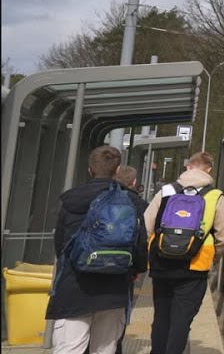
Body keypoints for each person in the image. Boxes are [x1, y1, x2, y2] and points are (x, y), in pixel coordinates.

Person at [45, 145, 148, 354]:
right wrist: (135, 269)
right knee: (105, 349)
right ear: (117, 170)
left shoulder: (71, 199)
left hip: (74, 286)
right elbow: (140, 244)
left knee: (70, 348)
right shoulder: (130, 200)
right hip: (115, 287)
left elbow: (60, 245)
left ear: (90, 170)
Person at [144, 151, 224, 354]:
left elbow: (147, 226)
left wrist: (152, 253)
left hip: (162, 264)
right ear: (209, 170)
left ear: (188, 167)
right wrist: (213, 257)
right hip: (195, 267)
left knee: (162, 316)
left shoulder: (165, 191)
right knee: (181, 320)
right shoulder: (215, 196)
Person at [111, 166, 147, 354]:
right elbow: (142, 240)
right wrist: (139, 268)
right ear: (133, 182)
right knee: (118, 314)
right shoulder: (140, 204)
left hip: (91, 264)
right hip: (124, 267)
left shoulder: (102, 197)